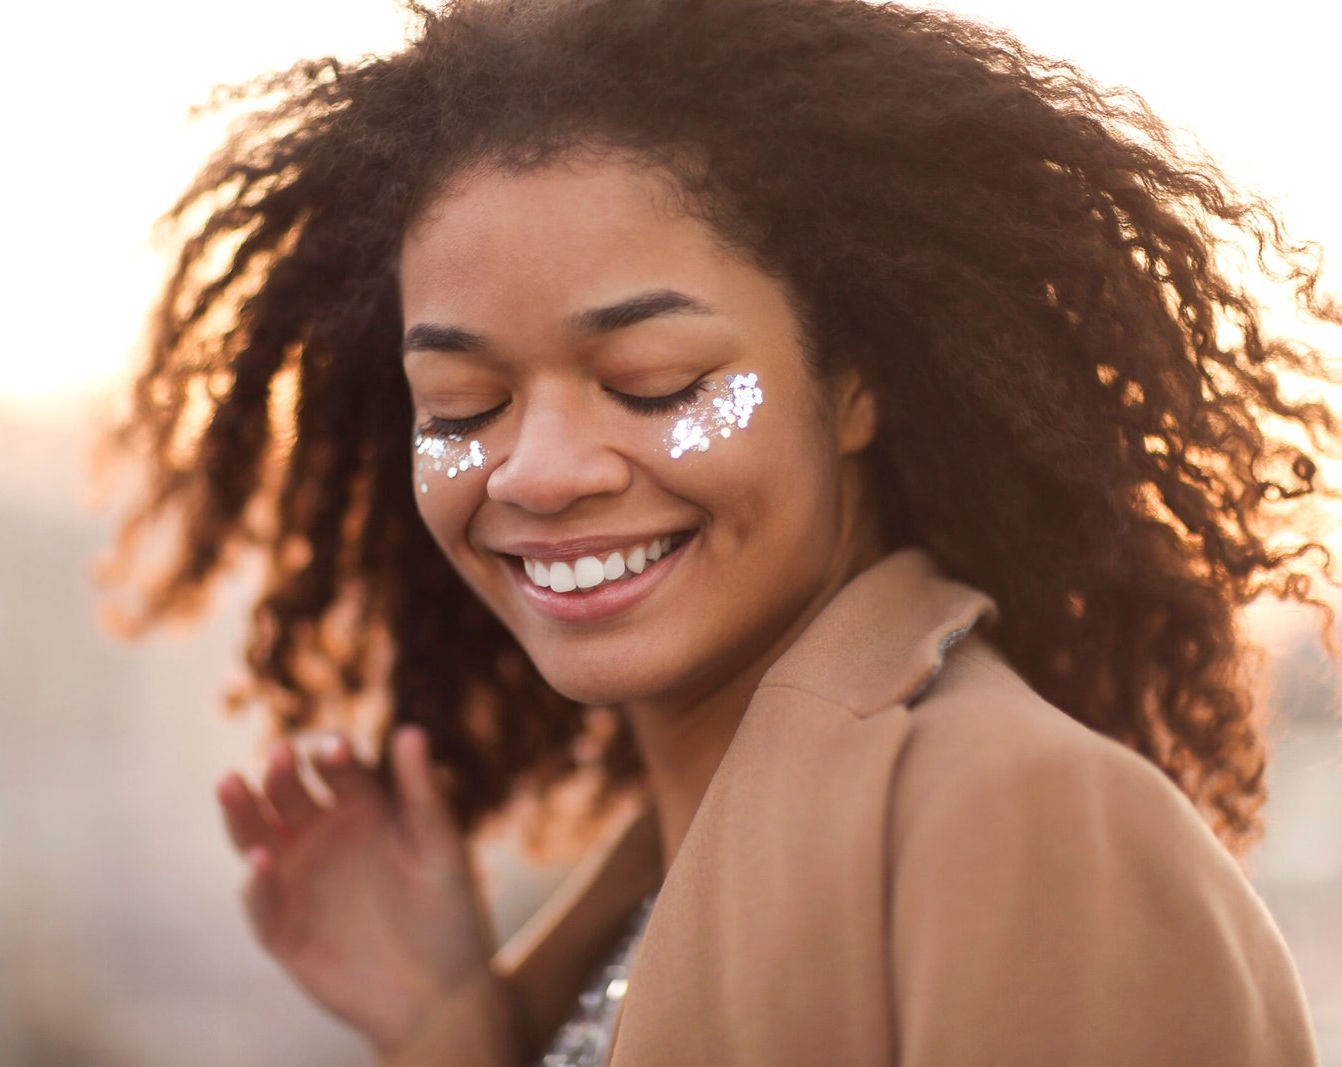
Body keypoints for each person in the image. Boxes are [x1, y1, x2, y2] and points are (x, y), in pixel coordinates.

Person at [104, 0, 1338, 1063]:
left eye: (652, 381)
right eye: (461, 407)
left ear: (856, 381)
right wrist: (448, 1022)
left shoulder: (1022, 820)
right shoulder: (661, 874)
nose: (535, 472)